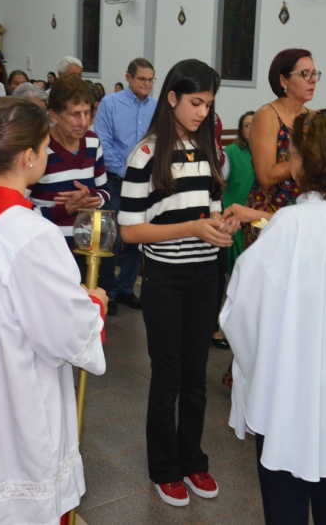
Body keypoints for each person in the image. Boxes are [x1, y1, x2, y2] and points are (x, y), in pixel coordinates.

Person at [0, 97, 106, 524]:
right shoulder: (30, 234)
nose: (47, 155)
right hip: (14, 398)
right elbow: (63, 332)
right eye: (46, 148)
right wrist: (92, 305)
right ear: (28, 157)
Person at [220, 110, 326, 524]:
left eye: (293, 152)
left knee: (287, 491)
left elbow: (243, 307)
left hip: (295, 391)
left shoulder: (293, 223)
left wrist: (251, 362)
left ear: (305, 161)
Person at [118, 59, 237, 507]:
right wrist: (191, 229)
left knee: (196, 376)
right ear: (171, 98)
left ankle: (193, 460)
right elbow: (130, 230)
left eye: (208, 104)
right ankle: (164, 468)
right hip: (166, 278)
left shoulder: (211, 152)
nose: (202, 112)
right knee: (167, 376)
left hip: (205, 274)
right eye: (194, 103)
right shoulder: (145, 155)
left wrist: (223, 224)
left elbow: (208, 211)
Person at [94, 57, 158, 314]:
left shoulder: (156, 106)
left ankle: (126, 288)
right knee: (111, 239)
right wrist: (128, 171)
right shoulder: (111, 103)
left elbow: (158, 141)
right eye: (141, 79)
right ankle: (107, 292)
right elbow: (104, 142)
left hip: (145, 184)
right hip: (116, 180)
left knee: (135, 238)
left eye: (151, 80)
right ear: (129, 78)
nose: (146, 84)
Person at [28, 76, 109, 279]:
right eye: (75, 115)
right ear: (54, 115)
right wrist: (65, 209)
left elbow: (105, 191)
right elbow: (19, 212)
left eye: (87, 113)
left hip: (86, 251)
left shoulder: (92, 142)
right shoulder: (38, 148)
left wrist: (92, 198)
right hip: (47, 253)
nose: (83, 123)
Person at [242, 48, 318, 247]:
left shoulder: (312, 116)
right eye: (305, 74)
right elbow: (265, 176)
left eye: (314, 73)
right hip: (268, 211)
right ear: (283, 81)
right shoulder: (268, 115)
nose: (313, 80)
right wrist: (306, 160)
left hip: (302, 210)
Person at [221, 111, 255, 278]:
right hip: (235, 217)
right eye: (247, 125)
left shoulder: (267, 152)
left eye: (255, 124)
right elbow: (219, 182)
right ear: (241, 130)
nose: (252, 128)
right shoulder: (232, 152)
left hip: (257, 217)